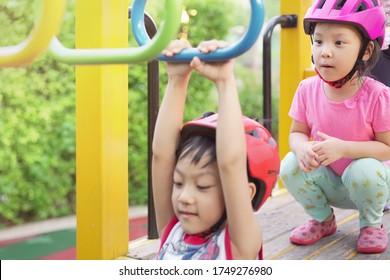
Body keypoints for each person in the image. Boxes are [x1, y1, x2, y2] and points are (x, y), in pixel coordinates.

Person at [151, 39, 280, 260]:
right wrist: (176, 80)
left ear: (246, 193)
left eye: (202, 186)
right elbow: (161, 156)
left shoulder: (238, 247)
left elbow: (231, 164)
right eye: (178, 183)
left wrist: (225, 82)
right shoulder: (173, 231)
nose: (184, 197)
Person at [280, 0, 390, 254]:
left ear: (365, 52)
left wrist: (343, 149)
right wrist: (301, 148)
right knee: (290, 163)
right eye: (319, 41)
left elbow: (387, 148)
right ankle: (322, 220)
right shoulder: (307, 89)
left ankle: (371, 225)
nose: (325, 52)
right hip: (328, 179)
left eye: (339, 43)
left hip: (369, 184)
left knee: (365, 169)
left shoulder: (378, 95)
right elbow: (296, 133)